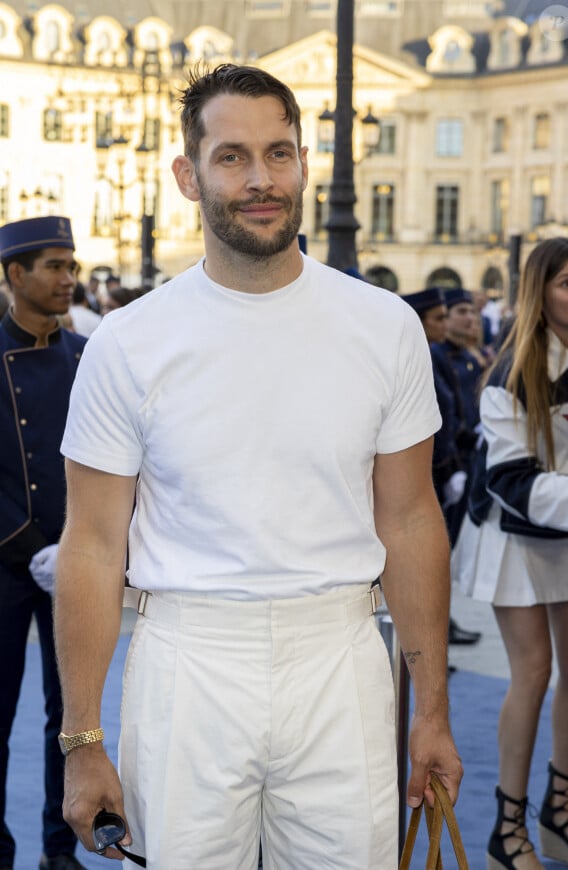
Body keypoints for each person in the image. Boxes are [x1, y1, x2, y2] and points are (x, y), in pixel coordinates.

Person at [54, 63, 462, 869]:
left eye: (280, 153)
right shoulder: (128, 344)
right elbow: (93, 547)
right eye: (233, 157)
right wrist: (82, 739)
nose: (262, 179)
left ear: (305, 162)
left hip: (341, 656)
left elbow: (410, 517)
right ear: (189, 174)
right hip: (188, 662)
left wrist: (434, 711)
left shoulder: (383, 328)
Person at [452, 237, 568, 870]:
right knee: (532, 673)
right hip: (514, 536)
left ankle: (559, 812)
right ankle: (509, 831)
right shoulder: (511, 372)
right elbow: (512, 481)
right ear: (540, 293)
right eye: (566, 283)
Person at [0, 216, 87, 870]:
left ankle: (61, 850)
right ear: (14, 275)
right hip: (4, 564)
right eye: (54, 266)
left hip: (76, 563)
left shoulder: (87, 354)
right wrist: (29, 545)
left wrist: (83, 544)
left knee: (74, 723)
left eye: (72, 266)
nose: (68, 279)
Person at [402, 288, 481, 647]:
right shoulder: (429, 355)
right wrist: (448, 468)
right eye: (440, 317)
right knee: (427, 557)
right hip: (434, 468)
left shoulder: (454, 355)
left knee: (439, 553)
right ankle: (427, 635)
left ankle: (440, 627)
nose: (448, 322)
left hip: (452, 464)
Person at [430, 288, 484, 547]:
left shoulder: (469, 355)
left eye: (472, 311)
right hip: (454, 460)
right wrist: (452, 468)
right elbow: (445, 412)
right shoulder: (436, 354)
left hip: (472, 457)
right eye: (461, 311)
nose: (470, 318)